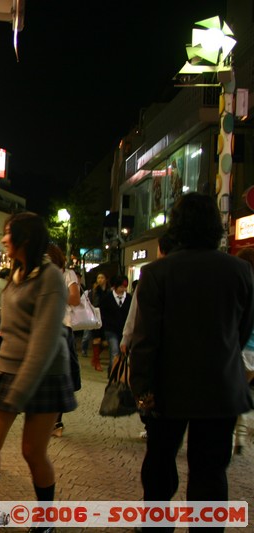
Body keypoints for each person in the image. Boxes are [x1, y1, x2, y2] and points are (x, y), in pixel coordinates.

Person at [130, 193, 254, 510]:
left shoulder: (157, 273)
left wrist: (142, 388)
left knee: (159, 467)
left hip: (167, 388)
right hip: (221, 386)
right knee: (210, 472)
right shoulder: (240, 271)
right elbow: (242, 330)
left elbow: (146, 340)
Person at [0, 212, 76, 527]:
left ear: (27, 238)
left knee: (32, 451)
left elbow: (44, 341)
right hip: (8, 368)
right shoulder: (16, 272)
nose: (4, 238)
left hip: (45, 373)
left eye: (9, 233)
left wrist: (19, 392)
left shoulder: (50, 278)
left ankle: (45, 519)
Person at [120, 234, 175, 441]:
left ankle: (152, 424)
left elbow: (135, 312)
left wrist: (126, 338)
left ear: (161, 249)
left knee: (151, 388)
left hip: (154, 348)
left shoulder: (152, 273)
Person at [47, 244, 81, 438]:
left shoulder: (68, 275)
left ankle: (57, 421)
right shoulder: (40, 275)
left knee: (60, 375)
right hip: (45, 328)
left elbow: (75, 298)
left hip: (61, 328)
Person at [233, 247, 254, 455]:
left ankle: (235, 435)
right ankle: (240, 434)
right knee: (242, 390)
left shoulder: (242, 287)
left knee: (233, 393)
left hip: (241, 349)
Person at [98, 274, 131, 378]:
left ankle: (120, 374)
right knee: (114, 352)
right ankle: (113, 375)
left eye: (125, 287)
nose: (123, 289)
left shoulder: (129, 298)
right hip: (111, 330)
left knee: (123, 354)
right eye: (121, 286)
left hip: (124, 331)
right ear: (115, 286)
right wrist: (101, 335)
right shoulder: (107, 298)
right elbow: (102, 316)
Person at [84, 272, 109, 370]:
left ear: (106, 279)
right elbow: (93, 304)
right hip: (96, 318)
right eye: (98, 278)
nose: (100, 280)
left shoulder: (109, 291)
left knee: (105, 342)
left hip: (106, 319)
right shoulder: (94, 292)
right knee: (97, 339)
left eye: (102, 277)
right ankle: (97, 362)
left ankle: (95, 358)